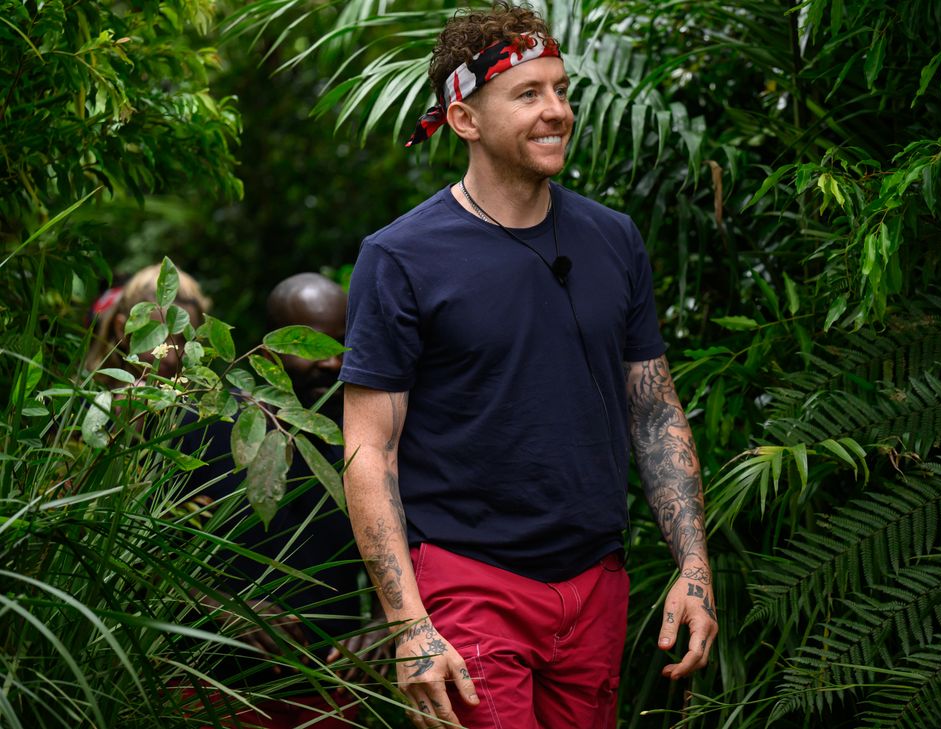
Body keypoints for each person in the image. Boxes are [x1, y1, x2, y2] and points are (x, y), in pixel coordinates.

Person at [339, 3, 718, 728]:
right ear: (464, 121)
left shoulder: (614, 238)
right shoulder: (401, 258)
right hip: (470, 586)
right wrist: (408, 623)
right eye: (529, 94)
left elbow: (654, 410)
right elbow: (368, 448)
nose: (558, 111)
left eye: (561, 89)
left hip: (595, 582)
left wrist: (694, 569)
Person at [179, 272, 377, 728]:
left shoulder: (362, 430)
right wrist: (217, 603)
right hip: (213, 686)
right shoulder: (203, 421)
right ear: (268, 353)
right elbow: (148, 547)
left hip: (328, 690)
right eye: (310, 348)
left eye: (340, 346)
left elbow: (400, 529)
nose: (329, 364)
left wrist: (385, 620)